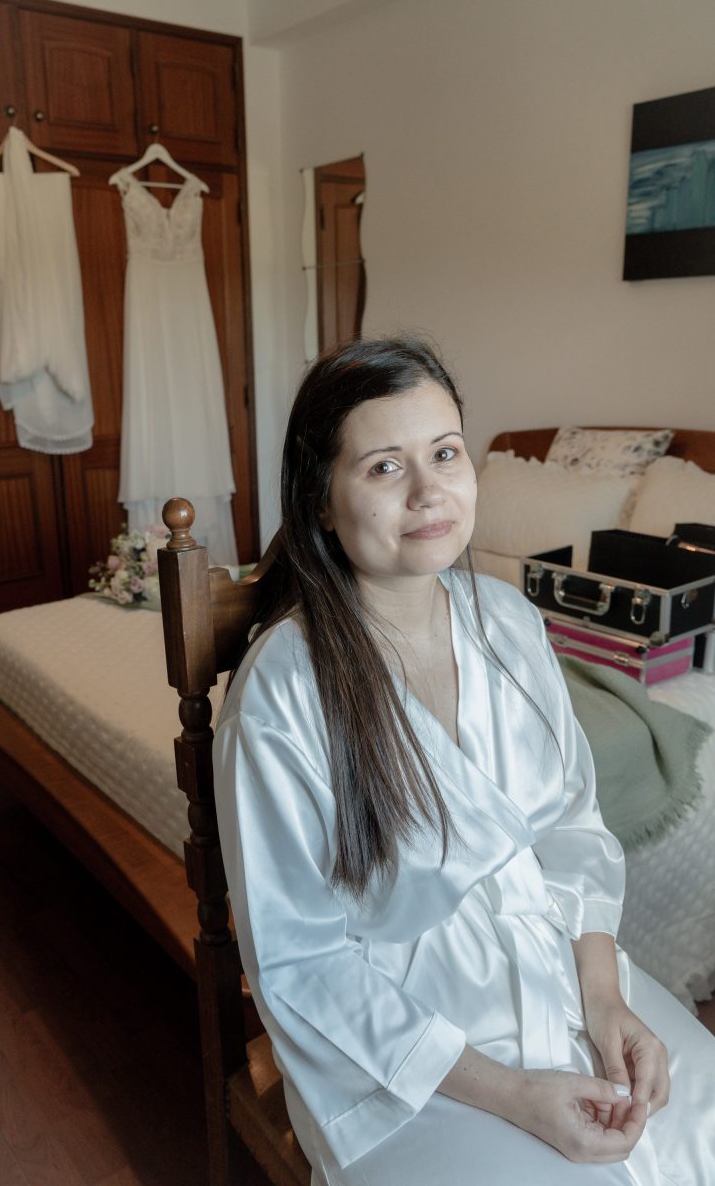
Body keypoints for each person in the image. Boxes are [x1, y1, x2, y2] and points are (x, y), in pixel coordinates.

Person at [213, 336, 714, 1185]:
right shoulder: (285, 691)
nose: (428, 491)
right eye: (383, 466)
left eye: (445, 453)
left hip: (561, 976)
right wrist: (516, 1095)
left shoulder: (509, 621)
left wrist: (606, 1002)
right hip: (397, 1052)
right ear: (321, 501)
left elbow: (573, 828)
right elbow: (302, 964)